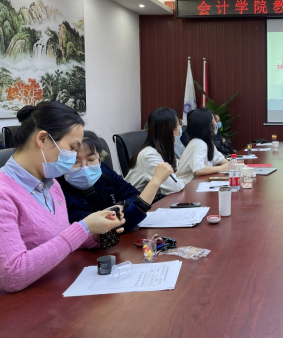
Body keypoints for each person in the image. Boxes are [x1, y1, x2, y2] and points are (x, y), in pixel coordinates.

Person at [0, 102, 125, 294]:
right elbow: (13, 275)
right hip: (22, 304)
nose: (74, 157)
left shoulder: (52, 185)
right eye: (72, 148)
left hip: (59, 287)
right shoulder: (4, 193)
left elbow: (58, 237)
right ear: (42, 139)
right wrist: (83, 227)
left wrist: (95, 233)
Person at [59, 131, 174, 233]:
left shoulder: (103, 170)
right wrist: (155, 182)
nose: (85, 167)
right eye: (75, 162)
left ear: (99, 157)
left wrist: (119, 206)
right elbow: (116, 227)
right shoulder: (58, 193)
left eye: (91, 159)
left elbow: (133, 194)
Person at [126, 108, 185, 196]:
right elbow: (175, 187)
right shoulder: (149, 156)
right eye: (179, 124)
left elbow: (177, 166)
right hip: (135, 202)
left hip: (154, 199)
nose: (180, 128)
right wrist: (185, 179)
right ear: (169, 130)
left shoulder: (162, 150)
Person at [176, 108, 229, 185]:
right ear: (207, 125)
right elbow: (199, 170)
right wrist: (222, 168)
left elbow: (219, 159)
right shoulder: (198, 143)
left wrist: (234, 165)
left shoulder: (206, 141)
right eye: (213, 120)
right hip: (186, 187)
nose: (215, 124)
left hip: (197, 184)